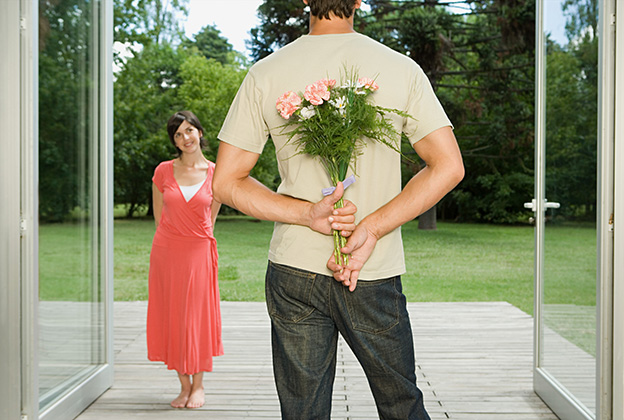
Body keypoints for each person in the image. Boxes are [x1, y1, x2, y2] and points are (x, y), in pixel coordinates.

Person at [213, 0, 464, 418]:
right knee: (401, 405)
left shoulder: (266, 72)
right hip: (371, 268)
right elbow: (449, 166)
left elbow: (225, 183)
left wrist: (306, 214)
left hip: (294, 270)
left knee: (303, 412)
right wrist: (372, 227)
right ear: (359, 0)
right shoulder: (400, 69)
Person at [147, 110, 223, 409]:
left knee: (196, 318)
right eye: (178, 134)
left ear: (200, 133)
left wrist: (198, 241)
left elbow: (211, 219)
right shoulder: (163, 171)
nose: (185, 138)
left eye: (189, 130)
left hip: (199, 251)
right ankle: (183, 385)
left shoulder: (217, 173)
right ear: (174, 141)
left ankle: (199, 386)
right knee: (173, 315)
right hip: (167, 252)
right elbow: (158, 217)